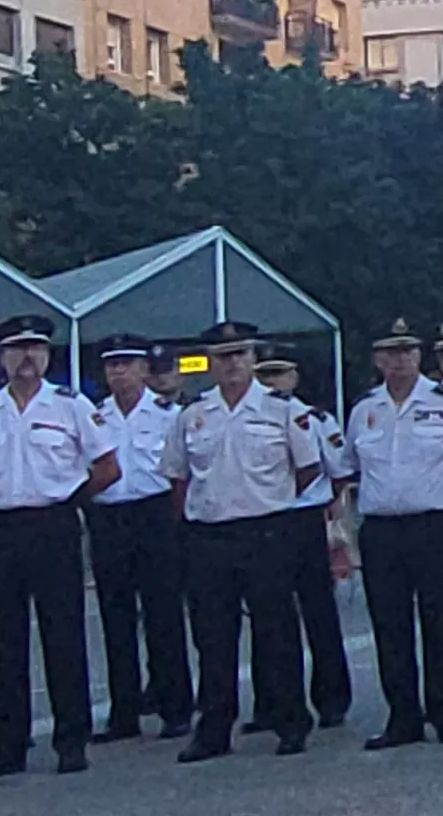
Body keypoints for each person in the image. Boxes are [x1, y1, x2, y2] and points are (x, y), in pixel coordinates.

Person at [0, 314, 114, 780]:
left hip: (53, 525)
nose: (26, 358)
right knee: (3, 640)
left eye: (35, 349)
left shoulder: (71, 406)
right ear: (2, 358)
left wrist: (67, 498)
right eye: (16, 349)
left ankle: (72, 741)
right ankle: (6, 746)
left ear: (47, 356)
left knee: (63, 633)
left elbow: (107, 466)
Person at [175, 320, 322, 760]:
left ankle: (291, 720)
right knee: (213, 637)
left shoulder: (282, 409)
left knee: (276, 631)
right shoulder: (193, 414)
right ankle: (214, 729)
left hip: (266, 531)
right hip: (210, 535)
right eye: (222, 357)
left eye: (239, 354)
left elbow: (308, 467)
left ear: (253, 359)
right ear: (211, 365)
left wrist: (272, 500)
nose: (231, 364)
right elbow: (178, 476)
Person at [345, 321, 443, 749]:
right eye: (390, 353)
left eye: (407, 352)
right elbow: (351, 463)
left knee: (442, 620)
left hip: (435, 524)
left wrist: (439, 493)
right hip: (383, 528)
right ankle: (402, 717)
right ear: (377, 360)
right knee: (391, 626)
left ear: (419, 356)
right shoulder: (364, 409)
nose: (399, 360)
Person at [83, 336, 194, 742]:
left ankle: (175, 707)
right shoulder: (94, 416)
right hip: (109, 516)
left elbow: (184, 470)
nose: (119, 372)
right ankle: (123, 714)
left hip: (156, 515)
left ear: (145, 370)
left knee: (163, 615)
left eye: (128, 364)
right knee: (116, 618)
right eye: (112, 365)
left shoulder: (169, 414)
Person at [253, 352, 357, 732]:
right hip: (261, 520)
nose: (271, 382)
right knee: (268, 617)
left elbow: (339, 471)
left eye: (278, 373)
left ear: (294, 377)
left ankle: (332, 698)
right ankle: (271, 703)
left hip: (304, 518)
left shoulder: (314, 418)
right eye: (263, 374)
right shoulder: (249, 415)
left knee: (318, 612)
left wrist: (329, 507)